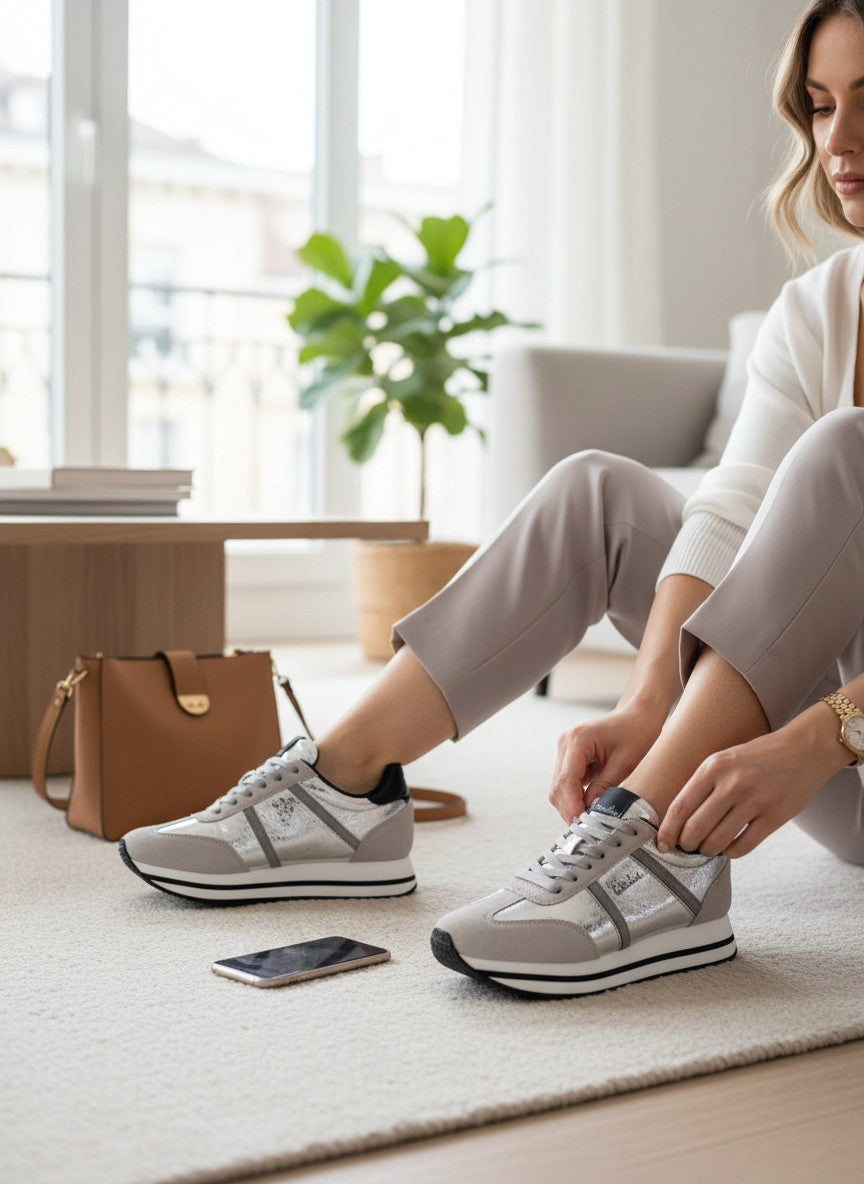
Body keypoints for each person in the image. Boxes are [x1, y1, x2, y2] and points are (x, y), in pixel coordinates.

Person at [119, 0, 864, 997]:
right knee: (600, 491)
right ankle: (345, 785)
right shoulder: (820, 307)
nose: (838, 141)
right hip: (813, 747)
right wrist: (649, 702)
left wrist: (823, 737)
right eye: (821, 104)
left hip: (830, 750)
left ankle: (649, 843)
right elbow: (730, 511)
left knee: (848, 450)